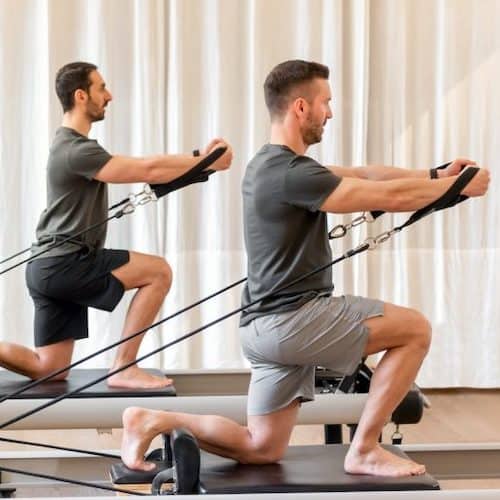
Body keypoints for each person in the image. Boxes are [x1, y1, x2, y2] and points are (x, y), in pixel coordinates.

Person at [120, 59, 489, 474]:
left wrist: (434, 174)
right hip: (293, 321)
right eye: (325, 103)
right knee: (415, 329)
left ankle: (152, 419)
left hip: (262, 329)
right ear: (300, 107)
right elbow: (386, 196)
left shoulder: (273, 165)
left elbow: (367, 175)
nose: (329, 113)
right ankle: (364, 448)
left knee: (261, 447)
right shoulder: (291, 173)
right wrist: (455, 188)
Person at [0, 61, 232, 389]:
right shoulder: (74, 149)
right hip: (65, 263)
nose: (109, 95)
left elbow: (153, 172)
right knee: (158, 272)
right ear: (81, 96)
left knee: (49, 368)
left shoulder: (69, 146)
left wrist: (201, 160)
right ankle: (124, 366)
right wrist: (206, 161)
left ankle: (122, 366)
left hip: (47, 268)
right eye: (101, 88)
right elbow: (148, 170)